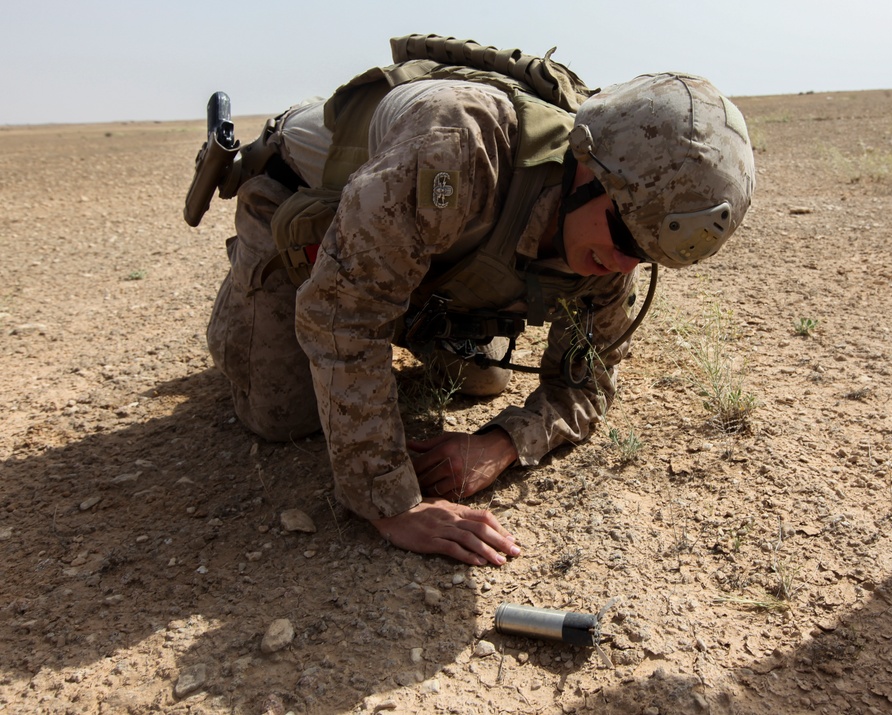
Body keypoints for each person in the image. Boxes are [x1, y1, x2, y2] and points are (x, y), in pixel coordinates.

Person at [197, 35, 755, 567]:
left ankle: (400, 289)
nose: (626, 264)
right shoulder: (459, 148)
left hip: (415, 248)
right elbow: (343, 316)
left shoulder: (615, 233)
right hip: (296, 200)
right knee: (279, 415)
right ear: (587, 168)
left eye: (648, 254)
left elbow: (586, 382)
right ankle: (253, 288)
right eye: (627, 237)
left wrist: (500, 445)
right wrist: (393, 503)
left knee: (483, 380)